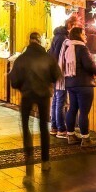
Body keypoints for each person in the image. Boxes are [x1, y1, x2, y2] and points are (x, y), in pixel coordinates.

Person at [9, 32, 62, 180]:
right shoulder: (48, 57)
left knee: (26, 128)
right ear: (39, 41)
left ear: (29, 41)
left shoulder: (21, 58)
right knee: (44, 128)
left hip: (27, 96)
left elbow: (13, 81)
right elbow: (57, 75)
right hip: (44, 96)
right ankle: (45, 161)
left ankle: (29, 159)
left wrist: (22, 87)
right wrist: (48, 83)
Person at [60, 26, 96, 148]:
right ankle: (85, 139)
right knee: (83, 112)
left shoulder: (67, 46)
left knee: (72, 108)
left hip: (70, 83)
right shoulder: (82, 49)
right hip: (84, 84)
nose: (85, 36)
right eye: (84, 34)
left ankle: (71, 135)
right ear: (78, 35)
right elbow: (89, 66)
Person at [48, 14, 79, 138]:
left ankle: (54, 127)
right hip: (60, 72)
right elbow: (61, 57)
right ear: (70, 25)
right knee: (60, 100)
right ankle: (61, 129)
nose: (77, 30)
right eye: (76, 26)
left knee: (57, 99)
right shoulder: (63, 38)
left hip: (55, 71)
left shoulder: (58, 36)